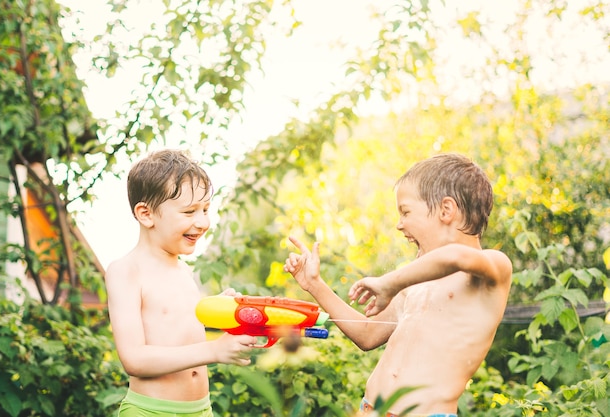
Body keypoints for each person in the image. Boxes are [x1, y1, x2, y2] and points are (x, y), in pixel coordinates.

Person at [284, 153, 512, 417]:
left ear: (446, 210)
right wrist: (314, 284)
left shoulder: (492, 269)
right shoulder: (415, 282)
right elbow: (367, 335)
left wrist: (389, 283)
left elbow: (455, 256)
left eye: (405, 212)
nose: (399, 224)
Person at [105, 149, 256, 417]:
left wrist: (218, 311)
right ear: (146, 214)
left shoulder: (183, 270)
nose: (203, 222)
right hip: (151, 411)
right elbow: (134, 359)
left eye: (206, 209)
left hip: (201, 409)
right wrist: (214, 350)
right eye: (189, 212)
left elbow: (177, 327)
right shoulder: (126, 271)